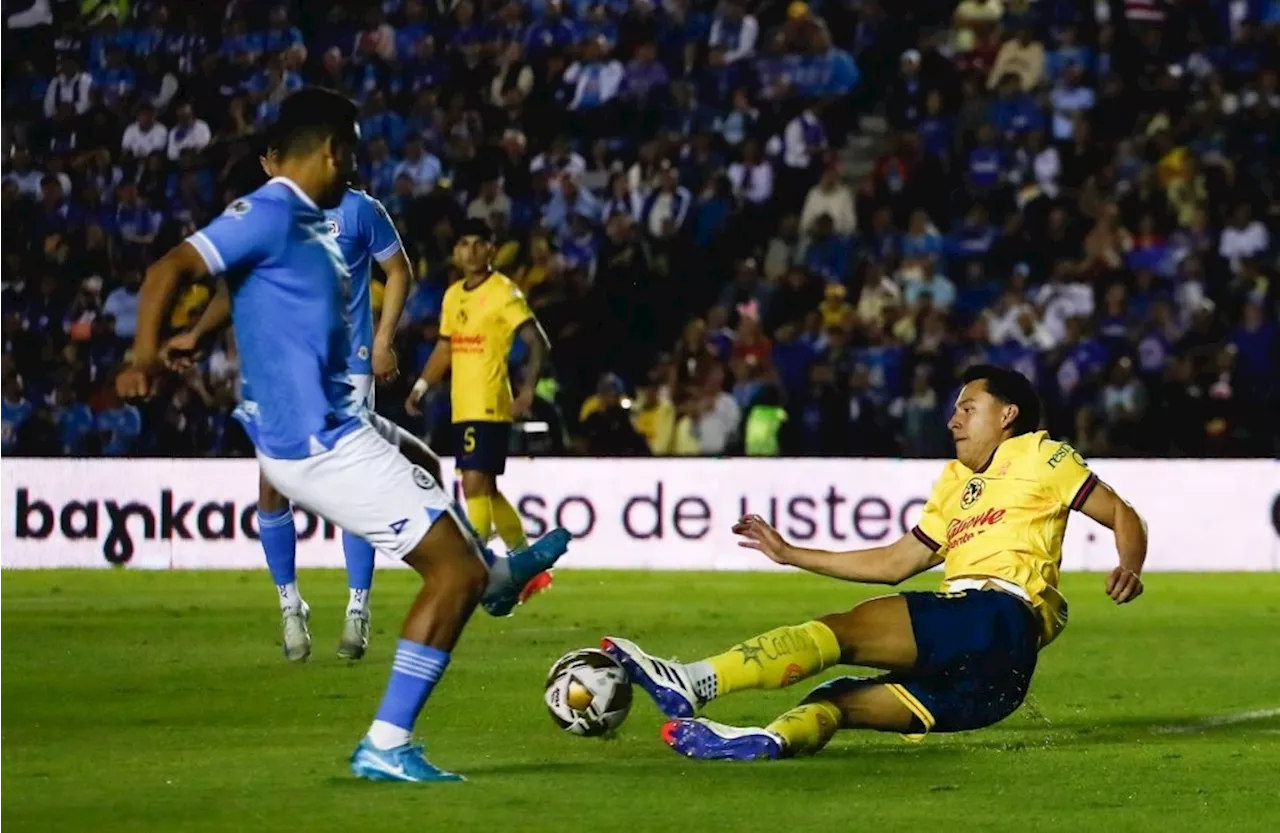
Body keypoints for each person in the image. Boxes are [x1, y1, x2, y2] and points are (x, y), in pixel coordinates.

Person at [119, 87, 569, 782]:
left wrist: (189, 334)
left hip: (326, 425)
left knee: (420, 453)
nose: (353, 167)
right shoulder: (269, 210)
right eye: (351, 153)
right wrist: (142, 356)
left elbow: (238, 284)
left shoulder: (306, 219)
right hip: (322, 443)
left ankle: (497, 574)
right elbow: (169, 268)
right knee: (454, 573)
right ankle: (387, 740)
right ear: (331, 150)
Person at [602, 364, 1148, 760]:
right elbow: (895, 561)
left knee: (843, 631)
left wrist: (1130, 564)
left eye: (967, 408)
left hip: (996, 616)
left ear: (1007, 415)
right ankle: (771, 741)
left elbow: (1122, 513)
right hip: (999, 684)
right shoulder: (956, 484)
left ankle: (693, 681)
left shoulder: (1039, 454)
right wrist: (792, 554)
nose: (953, 420)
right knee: (837, 701)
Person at [169, 141, 431, 663]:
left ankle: (358, 606)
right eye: (271, 157)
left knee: (354, 486)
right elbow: (234, 286)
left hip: (346, 365)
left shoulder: (360, 210)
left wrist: (382, 340)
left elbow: (398, 271)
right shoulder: (264, 214)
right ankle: (291, 605)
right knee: (273, 485)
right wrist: (198, 333)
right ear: (268, 162)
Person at [406, 217, 553, 601]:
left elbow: (537, 342)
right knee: (485, 486)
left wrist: (526, 392)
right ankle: (528, 565)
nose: (470, 251)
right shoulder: (453, 295)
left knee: (472, 483)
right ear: (456, 251)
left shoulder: (503, 292)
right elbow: (444, 347)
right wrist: (421, 385)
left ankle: (478, 570)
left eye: (478, 243)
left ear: (491, 249)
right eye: (464, 244)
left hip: (489, 403)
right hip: (462, 405)